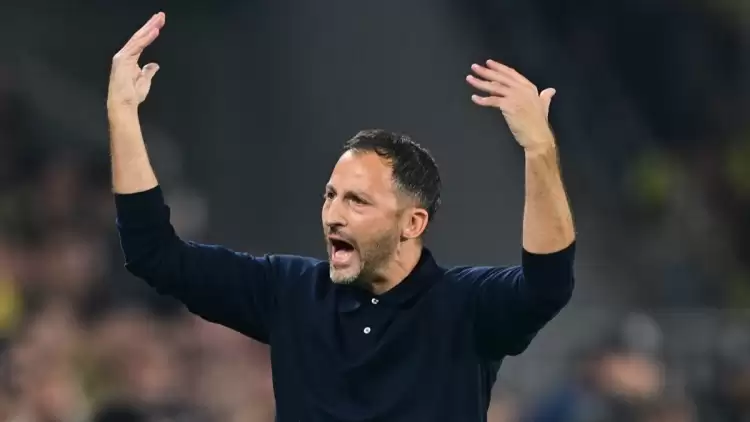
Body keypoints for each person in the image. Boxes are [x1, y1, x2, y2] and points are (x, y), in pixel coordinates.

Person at [107, 12, 576, 422]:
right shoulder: (290, 293)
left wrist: (539, 149)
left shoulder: (466, 306)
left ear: (412, 224)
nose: (333, 214)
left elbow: (547, 285)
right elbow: (155, 254)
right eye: (330, 196)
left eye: (357, 201)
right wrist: (123, 116)